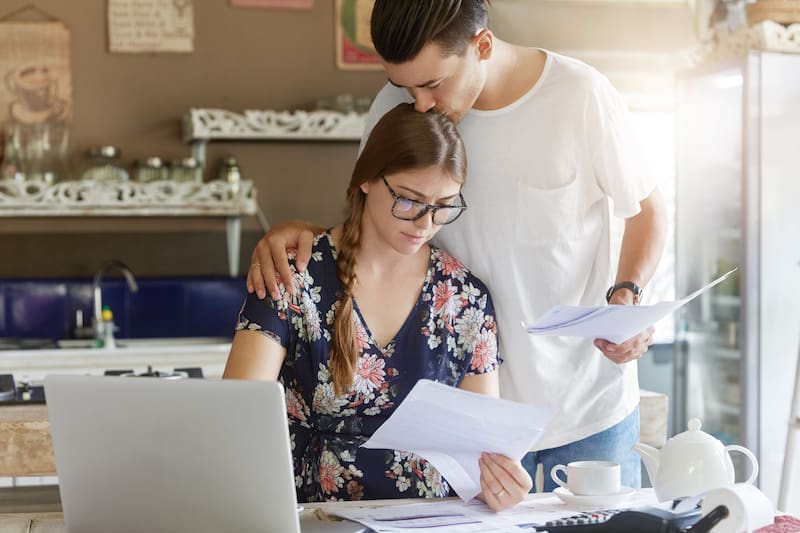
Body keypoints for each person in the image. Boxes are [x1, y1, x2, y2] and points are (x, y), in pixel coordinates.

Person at [247, 1, 667, 491]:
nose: (419, 103)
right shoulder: (394, 103)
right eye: (406, 86)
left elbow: (648, 212)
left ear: (482, 45)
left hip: (584, 408)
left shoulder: (580, 95)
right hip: (459, 422)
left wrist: (627, 297)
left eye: (432, 84)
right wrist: (299, 233)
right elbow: (377, 218)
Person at [224, 103, 532, 511]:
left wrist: (501, 481)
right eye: (409, 200)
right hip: (314, 518)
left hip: (429, 522)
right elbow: (233, 420)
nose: (425, 222)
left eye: (444, 205)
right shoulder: (292, 274)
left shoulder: (464, 297)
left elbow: (482, 448)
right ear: (367, 179)